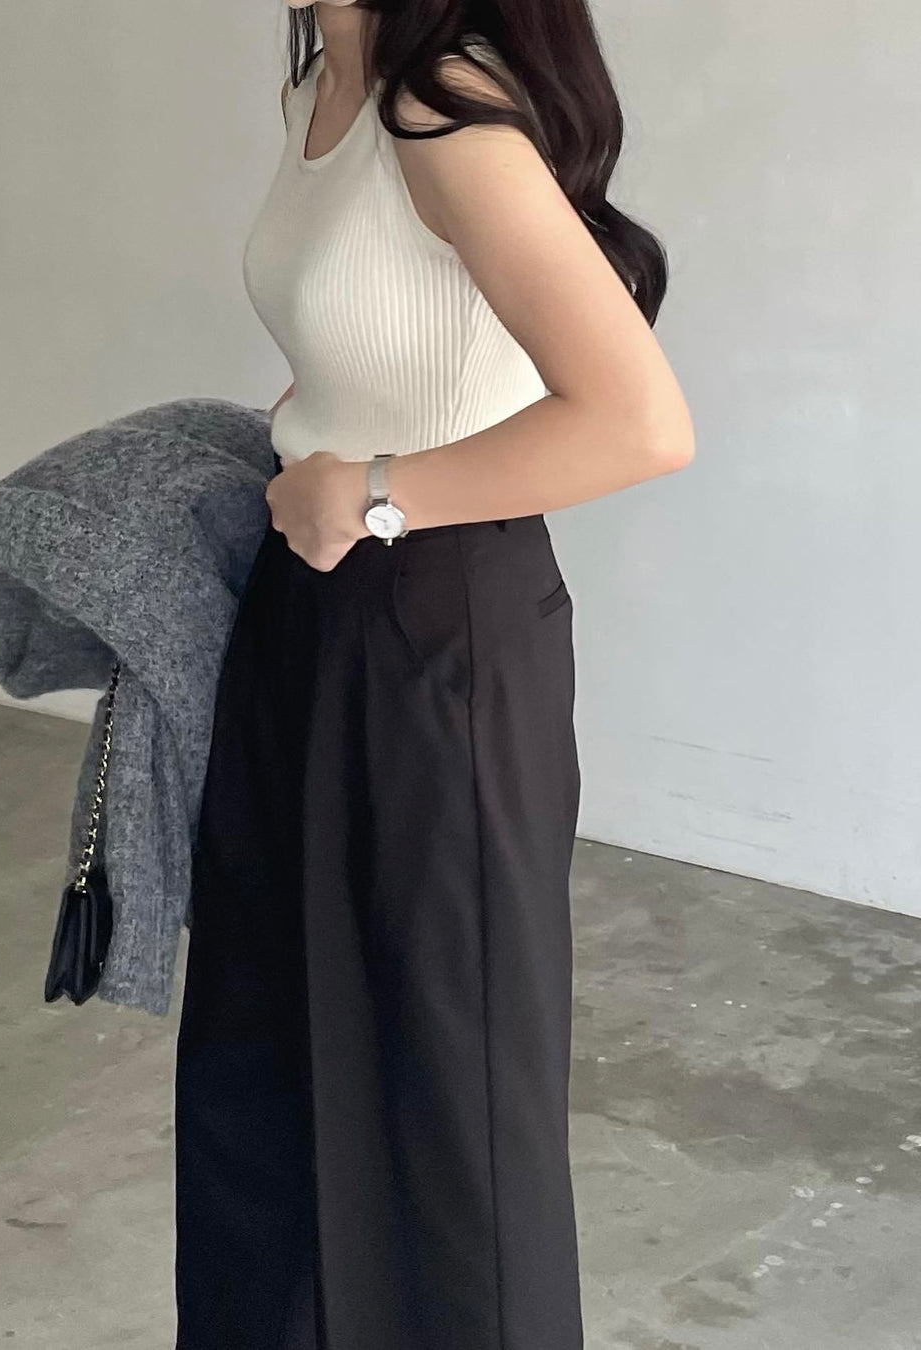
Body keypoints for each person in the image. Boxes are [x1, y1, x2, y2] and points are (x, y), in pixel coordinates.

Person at [174, 1, 695, 1346]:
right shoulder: (317, 97)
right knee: (263, 1055)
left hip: (440, 626)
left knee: (449, 1098)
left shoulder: (443, 109)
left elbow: (640, 421)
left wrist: (376, 489)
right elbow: (373, 339)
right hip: (304, 604)